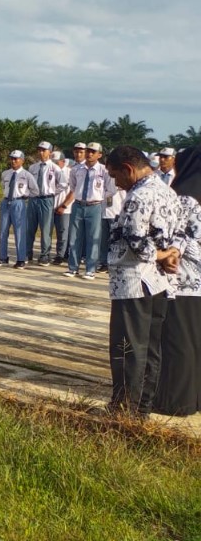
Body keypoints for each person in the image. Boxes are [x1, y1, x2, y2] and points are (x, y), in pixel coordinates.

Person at [103, 145, 182, 416]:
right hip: (159, 284)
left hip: (134, 281)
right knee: (149, 348)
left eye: (116, 176)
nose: (116, 183)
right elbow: (178, 234)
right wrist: (171, 254)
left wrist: (159, 255)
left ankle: (124, 408)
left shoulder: (139, 195)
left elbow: (136, 240)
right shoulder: (167, 191)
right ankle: (142, 408)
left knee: (127, 347)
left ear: (128, 169)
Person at [157, 163, 200, 416]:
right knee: (194, 341)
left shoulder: (184, 198)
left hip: (182, 281)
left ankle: (175, 400)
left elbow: (178, 238)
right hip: (196, 283)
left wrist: (168, 254)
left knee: (177, 340)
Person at [58, 142, 114, 279]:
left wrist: (98, 198)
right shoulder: (77, 169)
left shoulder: (103, 170)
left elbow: (111, 190)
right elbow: (73, 185)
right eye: (88, 151)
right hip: (78, 205)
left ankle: (90, 269)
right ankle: (73, 267)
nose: (89, 154)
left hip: (94, 206)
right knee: (74, 237)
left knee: (93, 238)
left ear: (99, 155)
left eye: (93, 152)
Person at [0, 150, 38, 269]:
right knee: (3, 231)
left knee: (19, 231)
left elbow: (35, 190)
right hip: (6, 201)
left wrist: (25, 196)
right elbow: (3, 186)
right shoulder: (5, 173)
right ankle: (3, 257)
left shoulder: (27, 175)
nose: (13, 161)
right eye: (12, 158)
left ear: (22, 160)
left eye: (16, 159)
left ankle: (21, 259)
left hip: (19, 202)